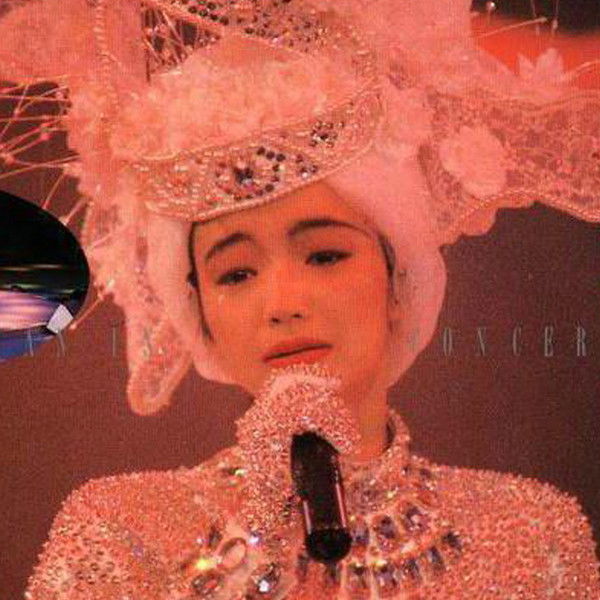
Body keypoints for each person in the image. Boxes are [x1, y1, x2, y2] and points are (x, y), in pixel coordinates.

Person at [1, 0, 597, 597]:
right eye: (236, 274)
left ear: (398, 279)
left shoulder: (530, 535)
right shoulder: (121, 531)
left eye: (325, 256)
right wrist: (254, 537)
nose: (282, 303)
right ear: (200, 315)